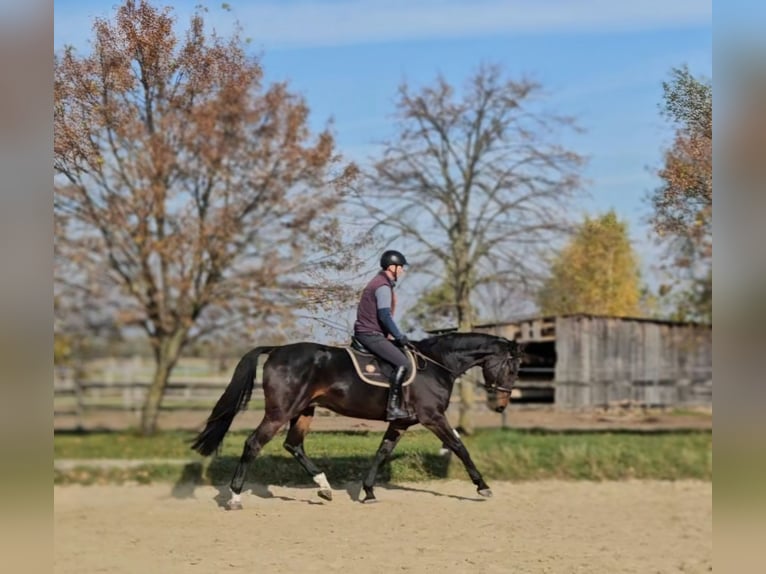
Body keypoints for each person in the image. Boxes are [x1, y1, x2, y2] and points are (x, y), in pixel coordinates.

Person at [354, 250, 412, 421]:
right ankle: (393, 407)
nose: (402, 271)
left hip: (370, 332)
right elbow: (384, 315)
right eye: (400, 267)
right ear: (392, 267)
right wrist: (399, 336)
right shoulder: (382, 286)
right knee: (403, 363)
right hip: (370, 334)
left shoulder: (378, 283)